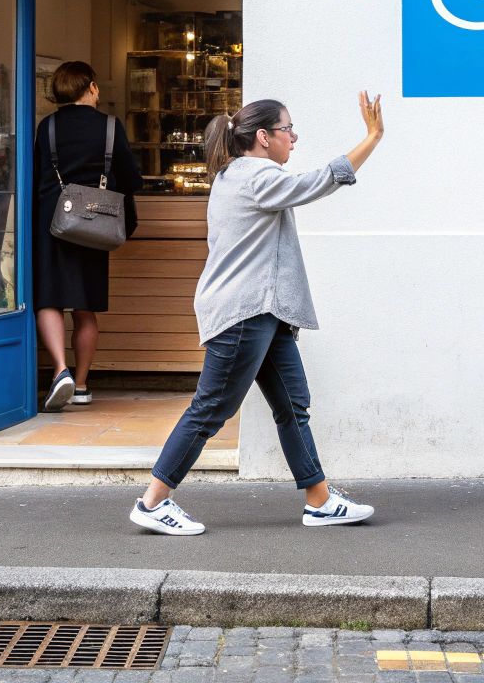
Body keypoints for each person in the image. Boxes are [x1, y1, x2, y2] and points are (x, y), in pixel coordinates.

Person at [128, 91, 385, 536]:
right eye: (288, 130)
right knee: (211, 409)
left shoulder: (237, 174)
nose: (294, 137)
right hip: (245, 313)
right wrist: (373, 136)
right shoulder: (255, 176)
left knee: (292, 403)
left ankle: (319, 500)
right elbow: (319, 182)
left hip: (267, 312)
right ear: (264, 137)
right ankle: (153, 501)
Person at [33, 61, 143, 412]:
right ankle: (80, 384)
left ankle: (59, 370)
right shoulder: (110, 127)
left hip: (52, 220)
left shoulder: (47, 126)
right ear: (92, 87)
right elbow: (131, 179)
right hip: (94, 222)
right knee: (84, 307)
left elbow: (36, 176)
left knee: (48, 300)